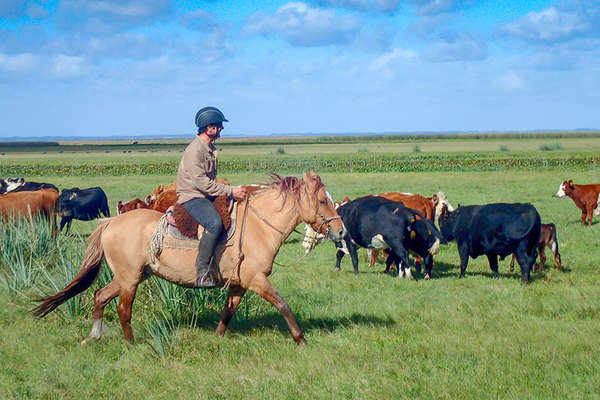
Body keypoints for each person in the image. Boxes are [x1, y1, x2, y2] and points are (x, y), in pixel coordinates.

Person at [176, 106, 247, 287]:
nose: (221, 129)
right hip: (193, 196)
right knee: (214, 222)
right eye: (219, 126)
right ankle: (201, 272)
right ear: (209, 128)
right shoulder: (195, 150)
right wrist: (230, 191)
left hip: (205, 194)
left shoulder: (209, 148)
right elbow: (202, 183)